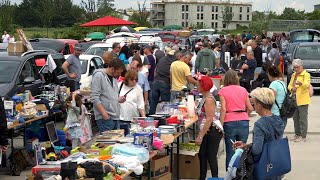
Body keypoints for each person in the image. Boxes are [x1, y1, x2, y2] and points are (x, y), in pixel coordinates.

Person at [233, 88, 284, 180]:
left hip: (264, 167)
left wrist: (247, 149)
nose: (253, 105)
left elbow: (257, 150)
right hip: (276, 164)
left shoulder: (260, 124)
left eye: (255, 103)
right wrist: (247, 145)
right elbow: (270, 141)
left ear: (259, 105)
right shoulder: (278, 120)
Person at [218, 70, 253, 169]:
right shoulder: (243, 90)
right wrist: (245, 115)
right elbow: (250, 108)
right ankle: (241, 173)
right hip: (243, 120)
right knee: (241, 150)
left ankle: (230, 175)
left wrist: (221, 125)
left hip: (229, 121)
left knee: (230, 151)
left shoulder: (223, 91)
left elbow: (223, 109)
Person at [195, 76, 223, 180]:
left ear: (203, 86)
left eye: (198, 85)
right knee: (202, 155)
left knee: (211, 157)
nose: (197, 86)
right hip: (207, 130)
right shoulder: (204, 98)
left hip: (213, 130)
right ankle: (202, 177)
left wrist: (200, 136)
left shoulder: (209, 100)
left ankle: (214, 178)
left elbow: (209, 119)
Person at [91, 59, 126, 133]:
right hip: (105, 117)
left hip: (115, 116)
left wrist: (118, 99)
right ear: (112, 69)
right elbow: (94, 97)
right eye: (118, 72)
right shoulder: (99, 76)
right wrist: (104, 114)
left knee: (116, 142)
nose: (119, 75)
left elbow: (110, 95)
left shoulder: (114, 78)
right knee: (107, 142)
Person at [288, 59, 311, 142]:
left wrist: (299, 84)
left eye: (297, 67)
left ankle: (303, 136)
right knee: (295, 118)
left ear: (301, 67)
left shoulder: (306, 75)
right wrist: (291, 88)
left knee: (303, 118)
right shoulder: (293, 75)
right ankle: (297, 134)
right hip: (294, 99)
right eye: (294, 68)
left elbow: (306, 85)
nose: (296, 69)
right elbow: (289, 85)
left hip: (303, 100)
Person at [149, 48, 177, 115]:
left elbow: (155, 70)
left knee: (153, 102)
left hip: (156, 82)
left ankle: (151, 119)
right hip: (165, 83)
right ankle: (164, 120)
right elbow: (171, 75)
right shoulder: (174, 62)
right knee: (166, 105)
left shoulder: (162, 59)